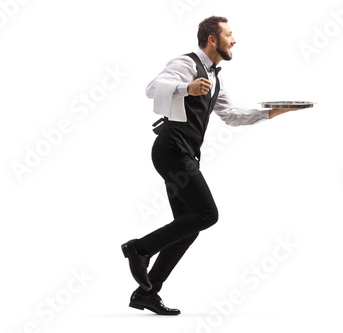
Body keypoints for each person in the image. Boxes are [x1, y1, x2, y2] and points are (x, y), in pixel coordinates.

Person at [121, 16, 298, 315]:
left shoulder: (216, 77)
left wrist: (274, 112)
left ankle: (146, 292)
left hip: (185, 153)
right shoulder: (187, 63)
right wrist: (185, 89)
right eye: (229, 34)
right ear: (213, 39)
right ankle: (139, 249)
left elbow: (231, 114)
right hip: (171, 149)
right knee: (206, 214)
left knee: (188, 227)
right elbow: (152, 88)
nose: (235, 40)